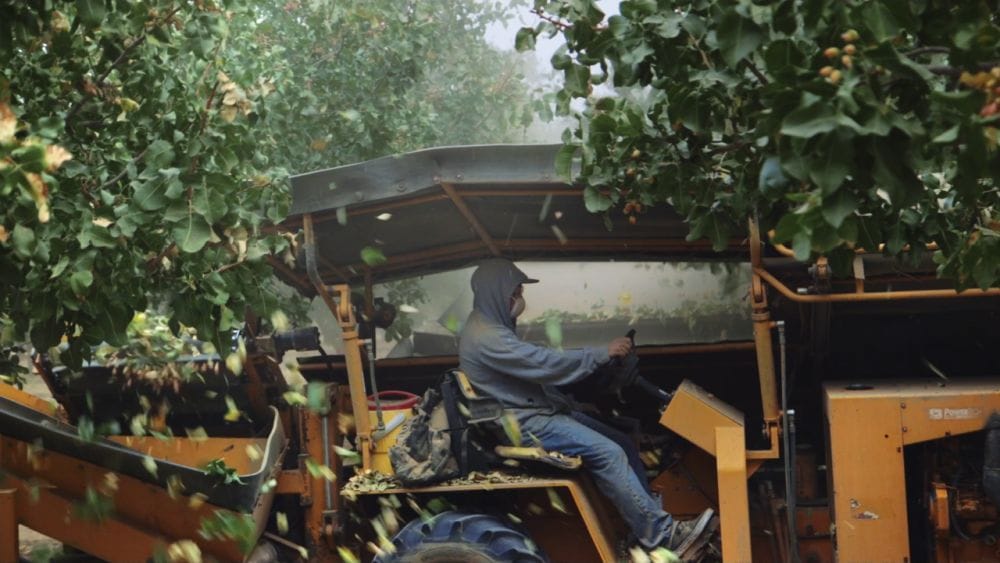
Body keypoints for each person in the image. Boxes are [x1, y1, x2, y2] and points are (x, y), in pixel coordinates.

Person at [458, 258, 714, 555]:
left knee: (623, 442)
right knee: (609, 453)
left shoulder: (489, 327)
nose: (520, 299)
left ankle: (642, 524)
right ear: (497, 293)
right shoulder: (486, 335)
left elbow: (526, 379)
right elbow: (541, 363)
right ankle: (662, 535)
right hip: (524, 423)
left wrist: (571, 402)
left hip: (535, 411)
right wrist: (599, 354)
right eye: (515, 292)